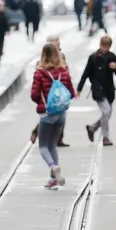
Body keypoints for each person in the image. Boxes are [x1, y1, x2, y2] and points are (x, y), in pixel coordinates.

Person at [30, 43, 76, 190]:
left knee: (43, 146)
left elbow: (34, 94)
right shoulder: (64, 71)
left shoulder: (40, 73)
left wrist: (40, 102)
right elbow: (71, 92)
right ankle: (53, 179)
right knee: (53, 145)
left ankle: (53, 167)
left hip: (47, 113)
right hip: (61, 113)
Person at [78, 35, 116, 147]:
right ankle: (105, 137)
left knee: (107, 114)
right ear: (100, 45)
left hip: (109, 90)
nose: (105, 49)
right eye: (103, 46)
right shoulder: (93, 58)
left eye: (107, 47)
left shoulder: (112, 57)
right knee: (106, 112)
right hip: (98, 90)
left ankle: (92, 128)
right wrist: (79, 89)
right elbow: (85, 74)